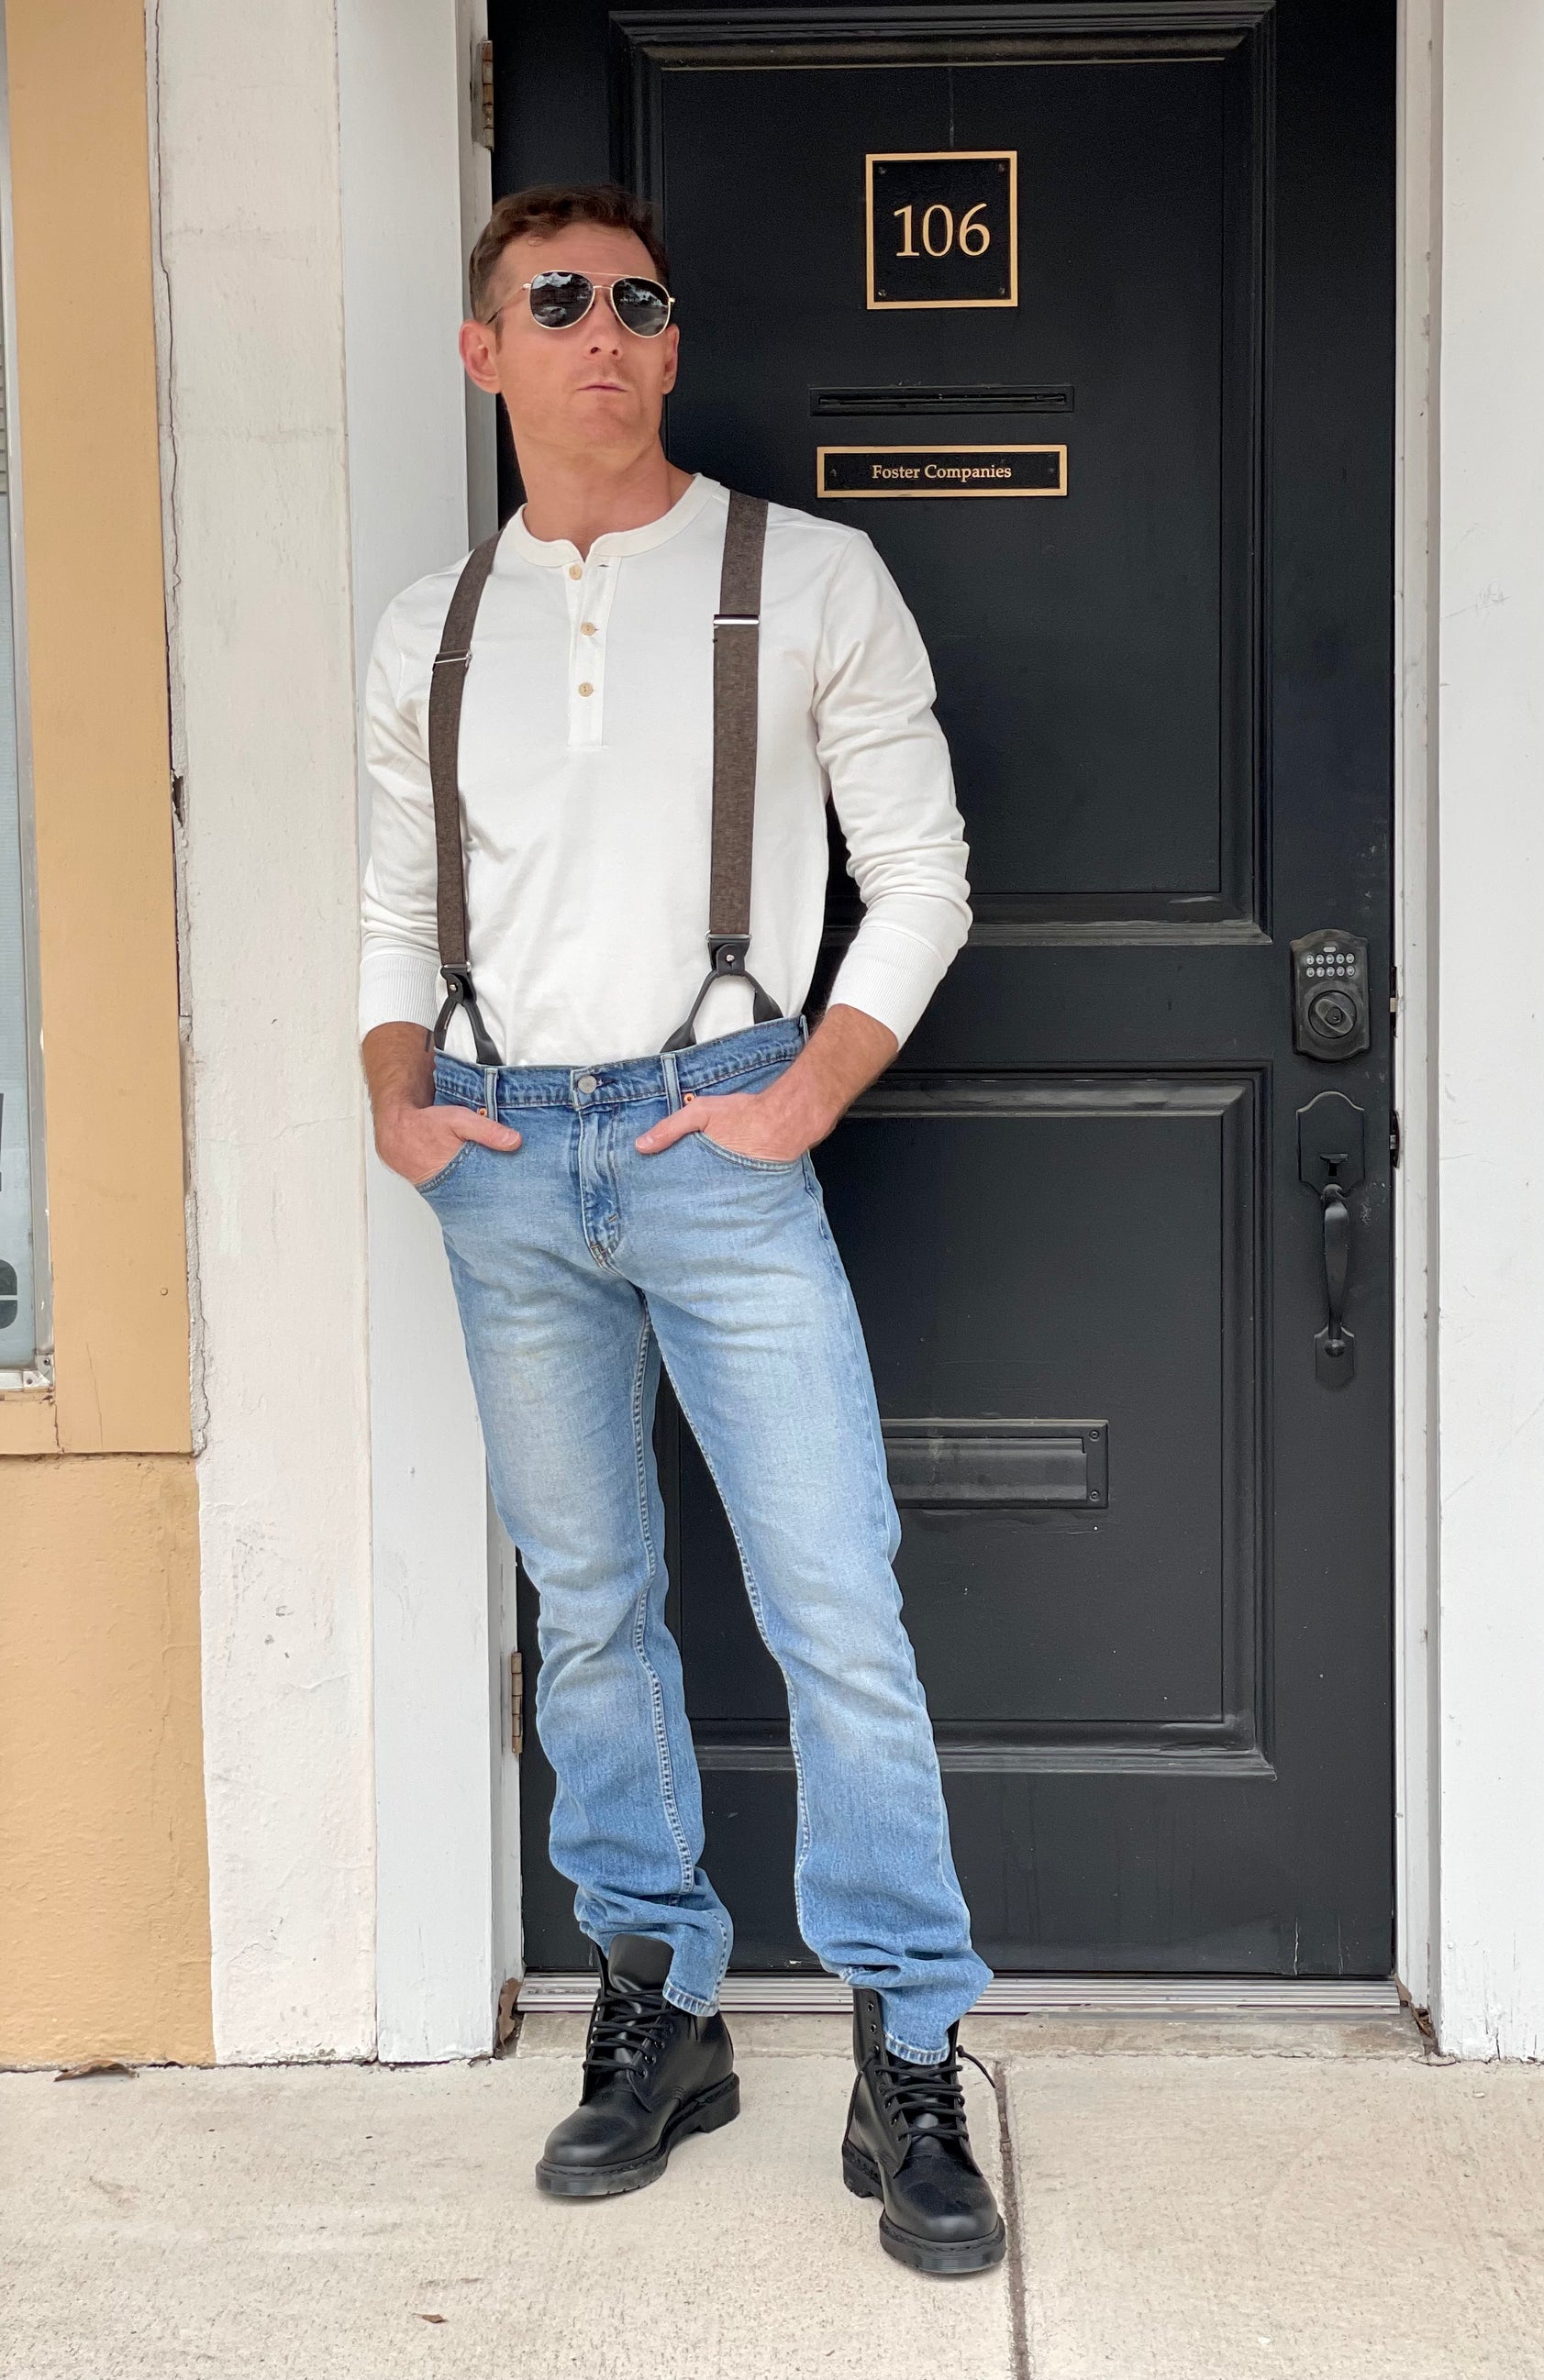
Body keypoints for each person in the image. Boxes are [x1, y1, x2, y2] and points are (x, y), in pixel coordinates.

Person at [358, 182, 1003, 2276]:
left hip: (716, 1140)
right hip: (501, 1158)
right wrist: (397, 1099)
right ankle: (662, 1996)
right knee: (589, 1606)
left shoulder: (806, 575)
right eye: (557, 301)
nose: (605, 333)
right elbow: (392, 905)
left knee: (834, 1602)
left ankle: (908, 2045)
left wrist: (804, 1091)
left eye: (637, 302)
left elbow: (922, 875)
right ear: (487, 352)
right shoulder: (430, 624)